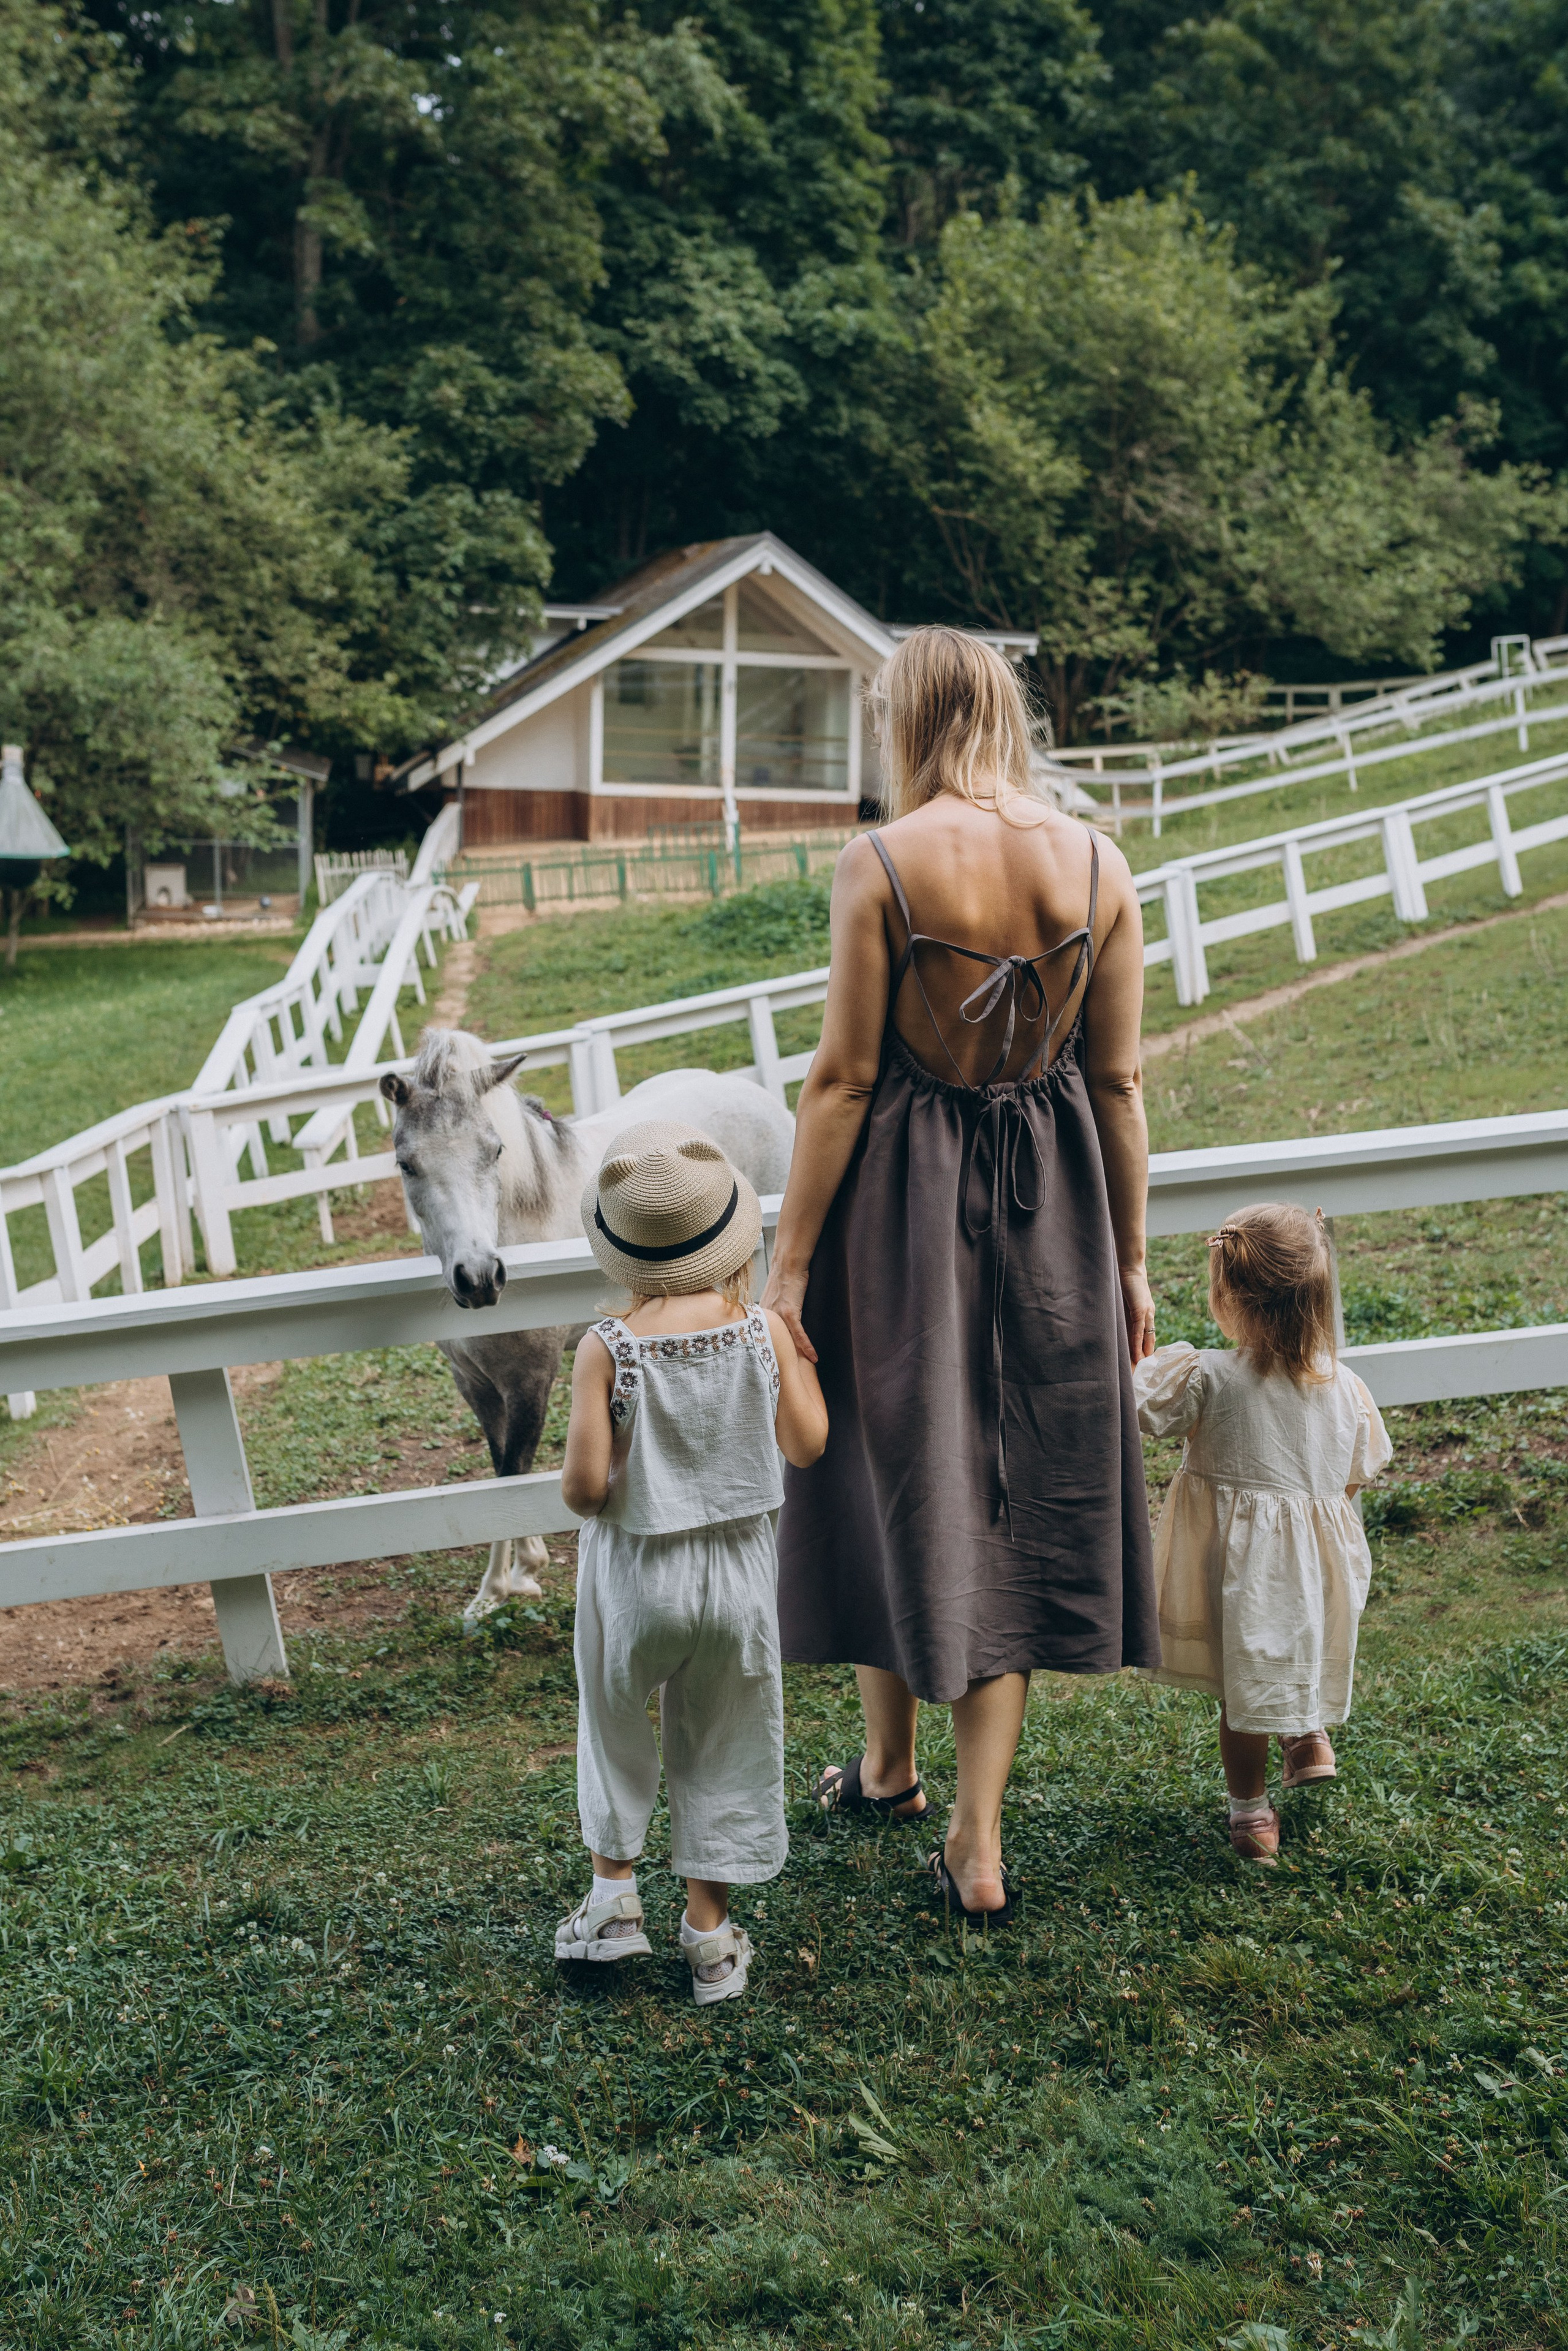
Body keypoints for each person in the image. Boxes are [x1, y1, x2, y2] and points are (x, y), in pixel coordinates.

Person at [764, 628, 1161, 1927]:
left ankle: (890, 1764)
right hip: (1056, 1212)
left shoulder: (880, 858)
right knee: (1014, 1496)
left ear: (910, 719)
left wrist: (786, 1268)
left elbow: (841, 1079)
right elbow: (1117, 1083)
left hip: (900, 1204)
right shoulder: (1098, 862)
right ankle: (968, 1835)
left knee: (881, 1460)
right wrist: (1131, 1259)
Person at [556, 1119, 827, 2002]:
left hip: (635, 1574)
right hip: (739, 1578)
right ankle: (710, 1939)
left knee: (612, 1723)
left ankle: (612, 1903)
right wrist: (796, 1360)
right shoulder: (761, 1332)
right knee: (726, 1736)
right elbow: (808, 1443)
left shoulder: (607, 1347)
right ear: (728, 1234)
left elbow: (585, 1490)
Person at [1133, 1201, 1392, 1865]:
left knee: (1241, 1691)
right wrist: (1303, 1531)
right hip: (1316, 1570)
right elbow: (1354, 1476)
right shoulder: (1347, 1389)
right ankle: (1307, 1738)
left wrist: (1130, 1350)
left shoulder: (1207, 1377)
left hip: (1237, 1572)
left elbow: (1138, 1408)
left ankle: (1250, 1816)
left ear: (1226, 1295)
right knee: (1296, 1650)